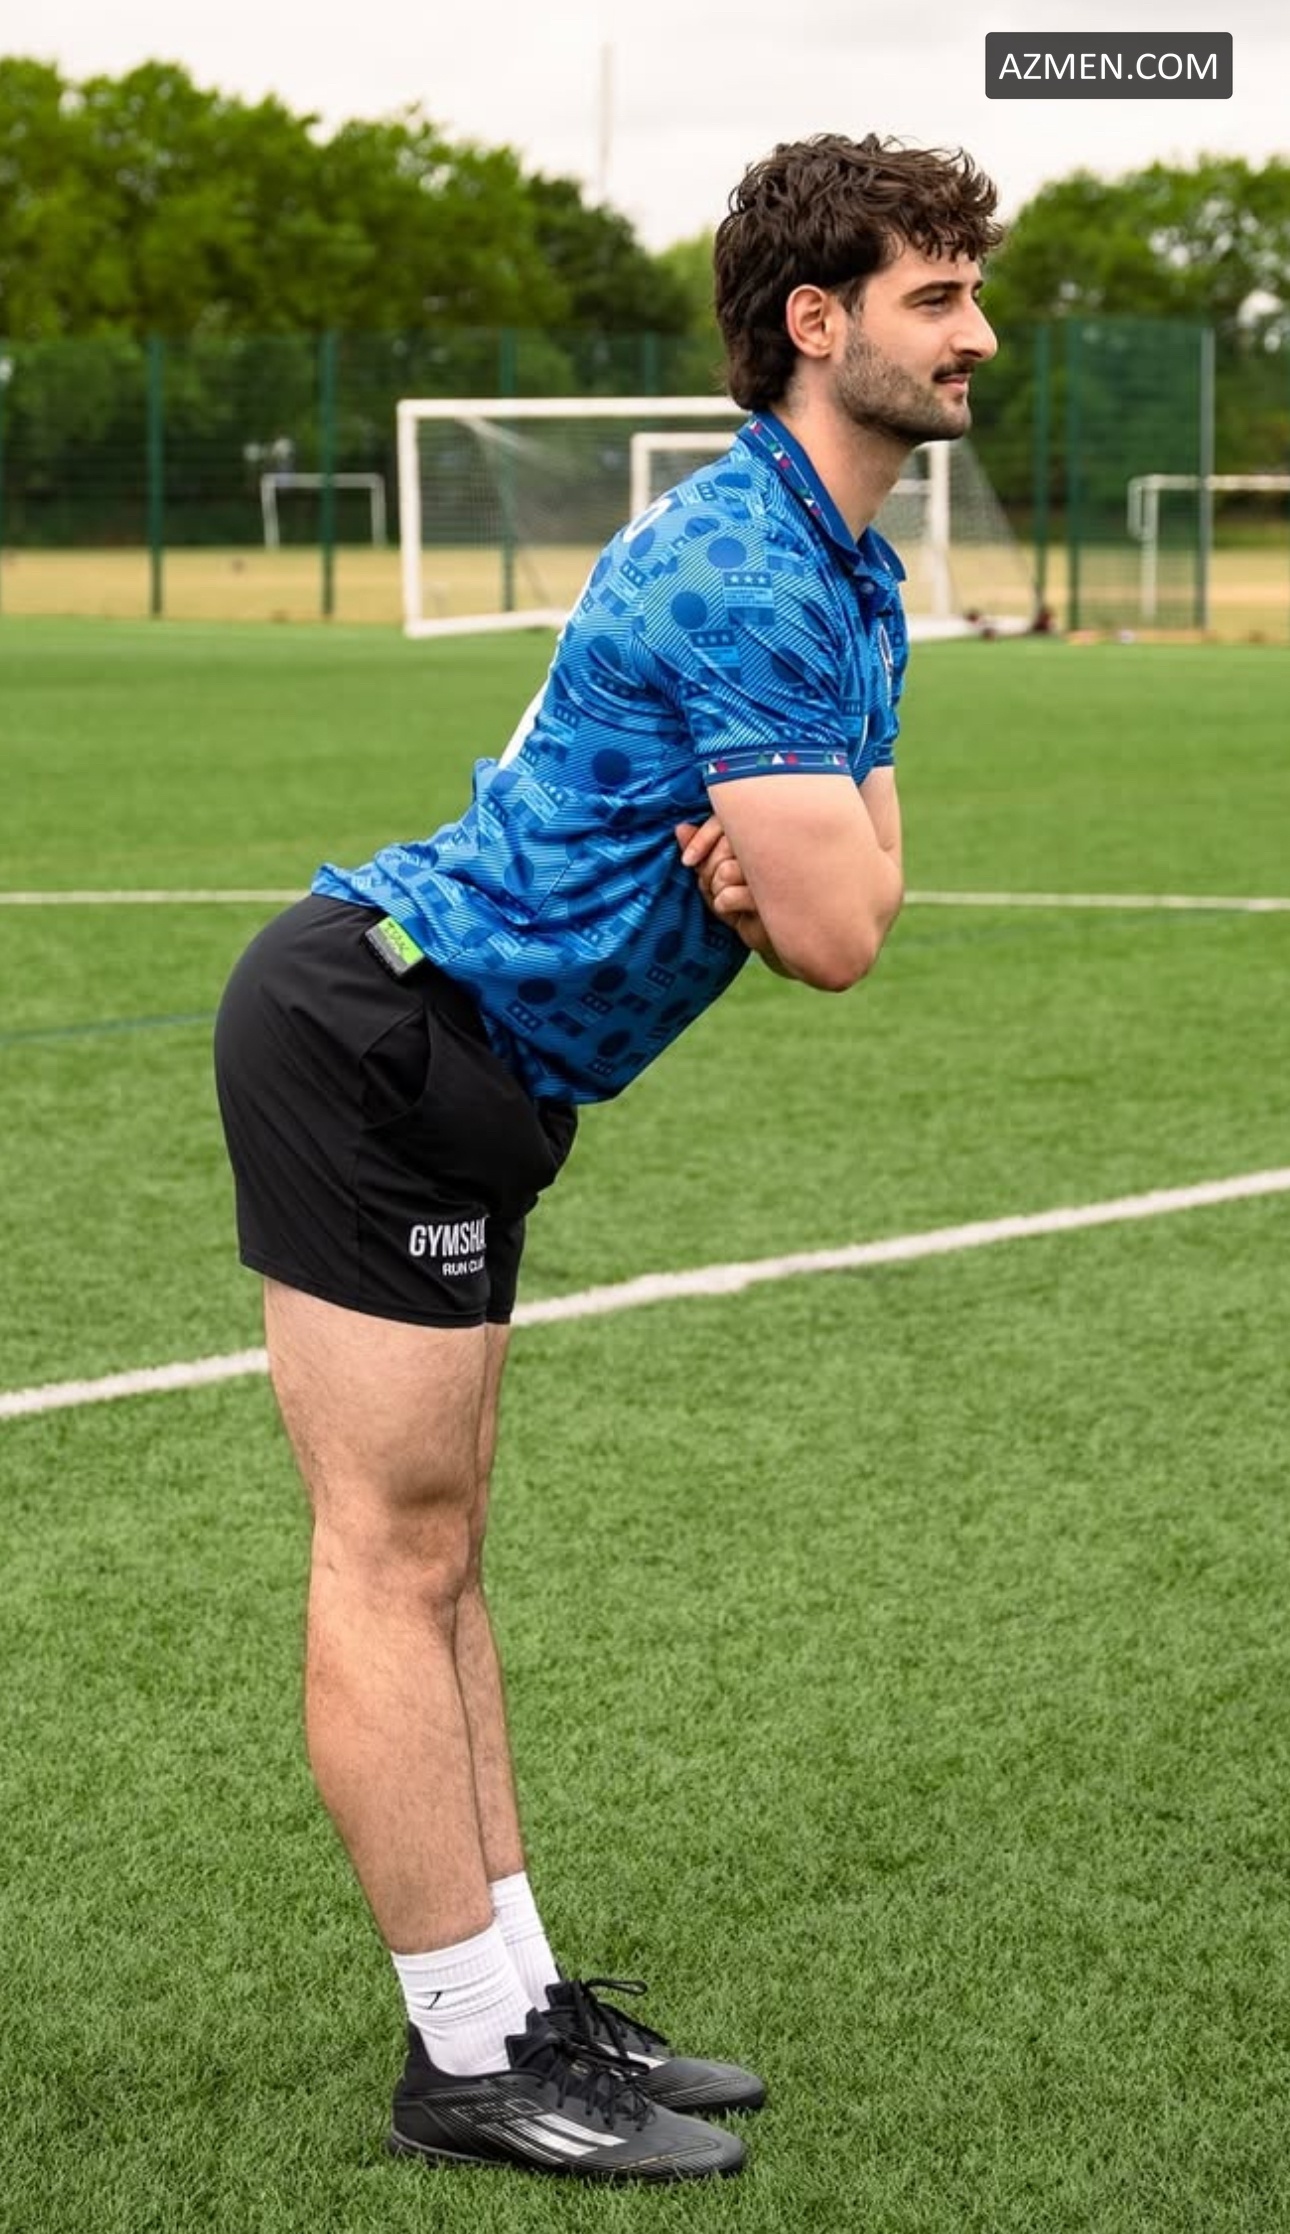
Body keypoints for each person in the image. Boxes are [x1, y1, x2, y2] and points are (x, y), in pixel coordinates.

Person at [213, 129, 1002, 2183]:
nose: (978, 333)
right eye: (934, 295)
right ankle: (466, 2057)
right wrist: (806, 870)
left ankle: (518, 1996)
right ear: (815, 321)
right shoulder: (745, 567)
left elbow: (862, 884)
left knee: (443, 1552)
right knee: (389, 1553)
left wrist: (822, 864)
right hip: (382, 1035)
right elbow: (837, 933)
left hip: (474, 1069)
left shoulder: (848, 569)